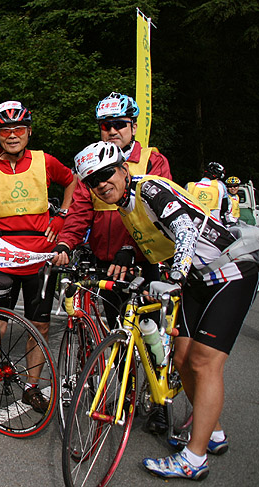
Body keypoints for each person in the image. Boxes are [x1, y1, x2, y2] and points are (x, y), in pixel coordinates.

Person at [73, 141, 258, 480]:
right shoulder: (125, 206)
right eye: (91, 180)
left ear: (123, 169)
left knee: (204, 361)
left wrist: (175, 276)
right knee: (183, 360)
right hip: (198, 279)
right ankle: (212, 432)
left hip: (231, 270)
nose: (100, 183)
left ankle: (194, 458)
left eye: (106, 173)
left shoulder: (149, 188)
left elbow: (185, 231)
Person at [0, 100, 76, 423]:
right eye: (5, 130)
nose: (12, 135)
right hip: (2, 257)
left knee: (39, 325)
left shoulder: (45, 161)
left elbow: (72, 181)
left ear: (28, 131)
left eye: (18, 129)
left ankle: (31, 386)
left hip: (40, 258)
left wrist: (63, 216)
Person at [54, 92, 172, 324]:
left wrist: (130, 246)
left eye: (120, 124)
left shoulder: (152, 161)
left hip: (141, 261)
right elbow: (80, 212)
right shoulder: (92, 164)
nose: (112, 131)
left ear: (134, 127)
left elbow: (156, 214)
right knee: (116, 332)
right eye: (106, 125)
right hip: (106, 263)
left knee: (148, 333)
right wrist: (65, 242)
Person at [186, 162, 236, 227]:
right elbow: (225, 207)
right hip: (212, 226)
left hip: (192, 224)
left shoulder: (189, 186)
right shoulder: (220, 186)